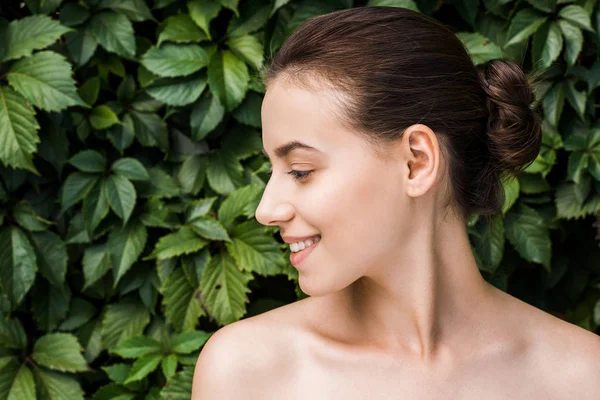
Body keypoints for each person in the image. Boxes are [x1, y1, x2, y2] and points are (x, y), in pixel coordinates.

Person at [192, 6, 600, 399]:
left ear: (416, 162)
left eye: (300, 170)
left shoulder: (583, 376)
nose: (266, 210)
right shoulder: (247, 372)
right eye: (274, 169)